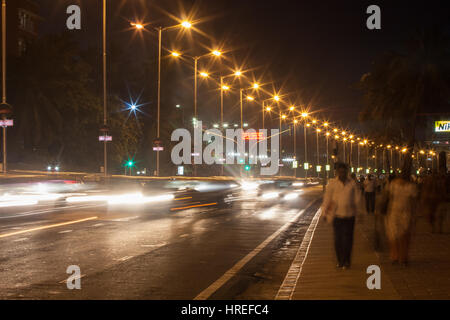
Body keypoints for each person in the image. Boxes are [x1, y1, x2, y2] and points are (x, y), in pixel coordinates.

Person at [322, 162, 362, 269]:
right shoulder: (332, 183)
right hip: (337, 215)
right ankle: (340, 260)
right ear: (337, 172)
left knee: (348, 240)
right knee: (338, 239)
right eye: (340, 171)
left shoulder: (352, 183)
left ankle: (347, 261)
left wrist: (359, 213)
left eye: (344, 171)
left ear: (347, 172)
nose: (342, 173)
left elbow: (357, 199)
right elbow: (327, 198)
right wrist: (324, 213)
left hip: (350, 215)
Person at [385, 169, 418, 266]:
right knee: (395, 235)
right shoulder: (394, 185)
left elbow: (413, 202)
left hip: (403, 213)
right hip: (396, 212)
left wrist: (413, 214)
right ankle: (397, 257)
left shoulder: (410, 187)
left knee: (401, 235)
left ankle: (401, 257)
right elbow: (389, 198)